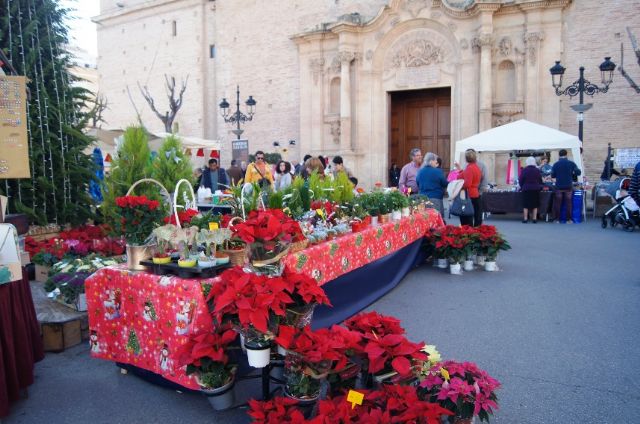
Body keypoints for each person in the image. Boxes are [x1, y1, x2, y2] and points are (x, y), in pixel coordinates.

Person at [551, 149, 581, 223]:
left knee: (558, 203)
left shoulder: (556, 164)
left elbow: (553, 175)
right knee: (569, 203)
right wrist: (572, 173)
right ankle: (569, 220)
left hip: (559, 186)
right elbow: (578, 172)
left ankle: (557, 219)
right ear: (566, 154)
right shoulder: (571, 163)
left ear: (559, 155)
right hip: (568, 185)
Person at [416, 152, 448, 216]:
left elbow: (418, 183)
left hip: (422, 199)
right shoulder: (438, 171)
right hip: (435, 199)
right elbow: (445, 183)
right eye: (435, 160)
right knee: (437, 220)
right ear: (431, 161)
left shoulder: (420, 171)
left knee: (425, 220)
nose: (436, 162)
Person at [457, 150, 482, 227]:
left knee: (467, 216)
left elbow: (467, 184)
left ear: (466, 158)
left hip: (469, 195)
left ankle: (468, 233)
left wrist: (458, 186)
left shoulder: (469, 168)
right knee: (476, 215)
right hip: (475, 193)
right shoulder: (476, 167)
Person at [519, 156, 543, 223]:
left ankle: (525, 218)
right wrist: (539, 186)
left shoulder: (524, 170)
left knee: (525, 204)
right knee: (535, 204)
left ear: (527, 162)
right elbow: (540, 180)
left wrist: (522, 186)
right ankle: (534, 218)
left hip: (526, 188)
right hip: (535, 188)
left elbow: (520, 180)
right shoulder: (537, 170)